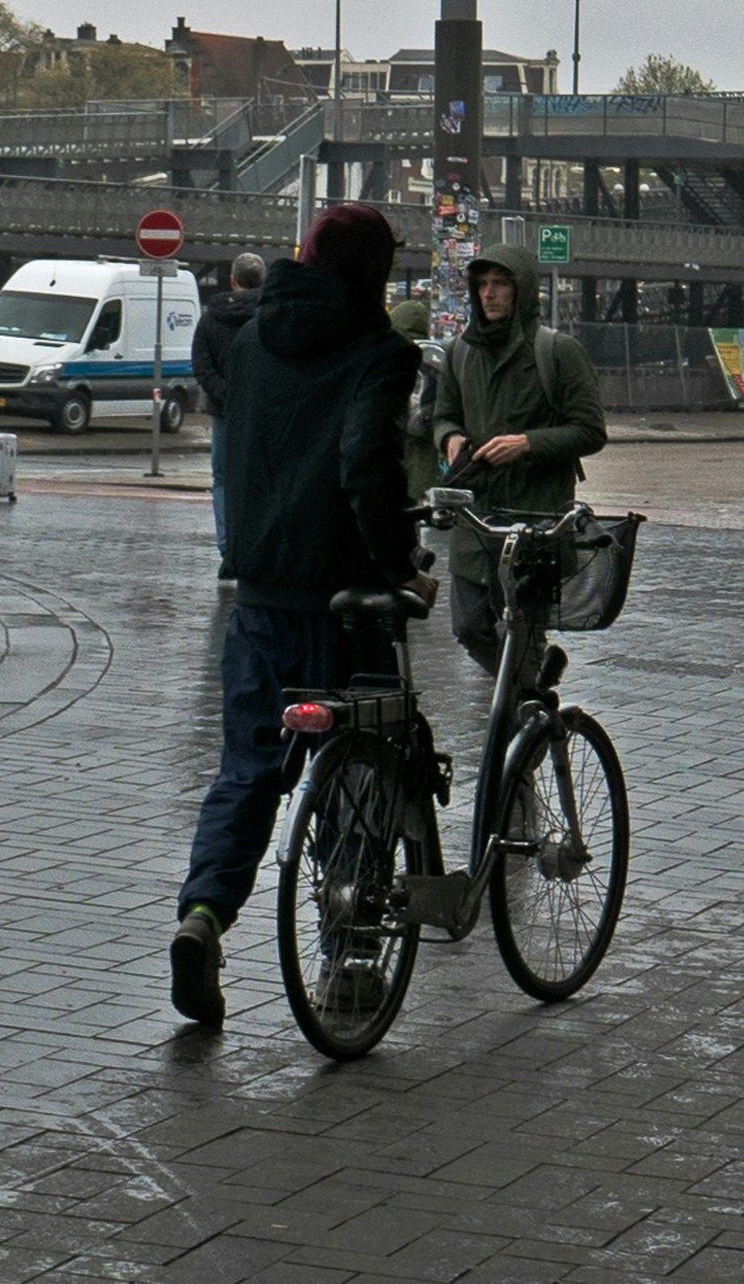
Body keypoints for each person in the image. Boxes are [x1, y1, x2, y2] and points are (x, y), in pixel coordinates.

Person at [172, 206, 427, 1030]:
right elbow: (367, 466)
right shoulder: (379, 352)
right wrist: (401, 569)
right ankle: (351, 957)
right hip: (345, 607)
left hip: (258, 604)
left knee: (246, 773)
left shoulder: (248, 342)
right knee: (360, 774)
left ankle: (202, 918)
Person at [416, 253, 606, 671]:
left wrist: (528, 443)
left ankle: (528, 714)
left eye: (500, 283)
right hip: (476, 522)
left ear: (521, 289)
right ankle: (530, 690)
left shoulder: (557, 351)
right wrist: (448, 437)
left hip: (534, 520)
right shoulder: (460, 353)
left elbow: (591, 431)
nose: (489, 293)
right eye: (482, 284)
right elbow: (444, 413)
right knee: (468, 627)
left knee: (522, 634)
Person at [193, 249, 267, 566]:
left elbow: (201, 364)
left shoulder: (211, 317)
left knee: (222, 478)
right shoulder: (268, 315)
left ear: (233, 280)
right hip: (261, 411)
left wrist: (222, 392)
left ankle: (227, 547)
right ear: (262, 281)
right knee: (259, 477)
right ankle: (253, 544)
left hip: (223, 411)